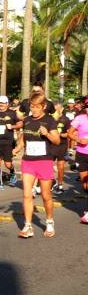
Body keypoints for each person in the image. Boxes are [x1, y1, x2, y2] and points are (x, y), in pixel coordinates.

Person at [14, 93, 60, 238]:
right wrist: (17, 148)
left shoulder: (49, 120)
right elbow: (24, 138)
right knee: (27, 195)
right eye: (31, 107)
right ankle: (28, 226)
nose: (33, 110)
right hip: (28, 161)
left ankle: (50, 221)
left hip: (44, 161)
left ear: (44, 106)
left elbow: (57, 141)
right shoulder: (27, 120)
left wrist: (47, 134)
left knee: (46, 196)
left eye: (37, 107)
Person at [68, 96, 88, 224]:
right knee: (85, 185)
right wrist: (78, 140)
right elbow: (69, 133)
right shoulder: (80, 118)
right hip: (82, 154)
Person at [51, 102, 71, 194]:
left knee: (61, 166)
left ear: (62, 109)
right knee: (47, 165)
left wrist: (61, 134)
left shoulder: (65, 119)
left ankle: (60, 185)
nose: (55, 111)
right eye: (54, 110)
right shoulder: (50, 119)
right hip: (51, 145)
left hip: (62, 145)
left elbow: (69, 133)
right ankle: (51, 181)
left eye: (57, 109)